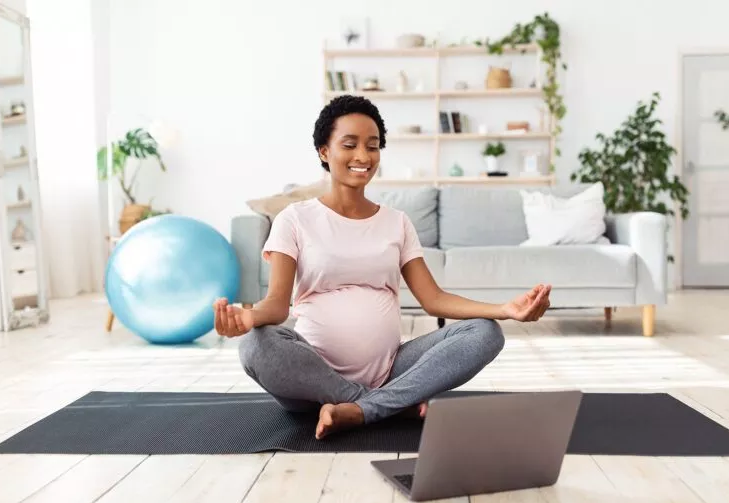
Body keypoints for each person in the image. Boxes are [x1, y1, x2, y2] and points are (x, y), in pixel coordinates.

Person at [214, 95, 551, 440]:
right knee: (255, 346)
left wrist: (505, 309)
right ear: (324, 151)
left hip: (391, 369)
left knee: (485, 333)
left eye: (372, 146)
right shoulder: (295, 219)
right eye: (350, 144)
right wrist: (248, 318)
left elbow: (433, 299)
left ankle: (363, 410)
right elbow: (277, 305)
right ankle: (382, 406)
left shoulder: (397, 222)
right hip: (312, 379)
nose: (363, 156)